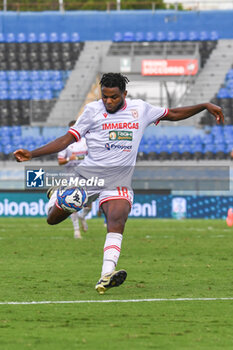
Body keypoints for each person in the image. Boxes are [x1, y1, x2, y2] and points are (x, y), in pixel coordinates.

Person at [14, 73, 224, 295]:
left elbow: (172, 113)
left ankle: (106, 275)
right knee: (53, 219)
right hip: (88, 176)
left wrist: (203, 105)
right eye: (105, 97)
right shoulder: (92, 111)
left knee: (117, 219)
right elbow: (67, 139)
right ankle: (58, 196)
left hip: (119, 180)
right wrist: (33, 154)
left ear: (124, 94)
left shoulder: (140, 109)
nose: (108, 102)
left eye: (114, 97)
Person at [57, 120, 91, 239]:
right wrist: (68, 159)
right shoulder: (65, 144)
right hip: (71, 177)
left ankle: (83, 217)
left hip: (86, 176)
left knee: (89, 205)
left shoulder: (87, 142)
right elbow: (60, 161)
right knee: (73, 203)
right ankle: (76, 230)